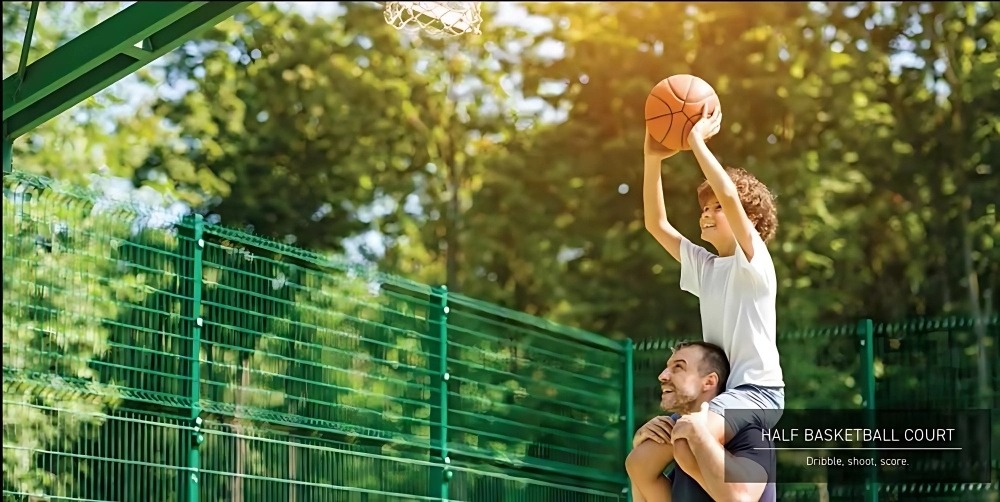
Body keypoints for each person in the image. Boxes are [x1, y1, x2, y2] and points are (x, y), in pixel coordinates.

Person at [626, 106, 785, 501]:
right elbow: (655, 224)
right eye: (704, 209)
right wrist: (651, 158)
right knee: (642, 459)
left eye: (717, 209)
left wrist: (695, 140)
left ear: (746, 220)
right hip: (722, 396)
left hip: (756, 393)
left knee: (689, 435)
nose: (707, 215)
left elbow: (730, 193)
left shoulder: (755, 263)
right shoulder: (707, 266)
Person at [629, 341, 775, 501]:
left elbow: (741, 498)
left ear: (709, 382)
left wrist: (700, 438)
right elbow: (642, 480)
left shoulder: (751, 436)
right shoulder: (676, 447)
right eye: (667, 367)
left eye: (678, 367)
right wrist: (640, 449)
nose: (662, 376)